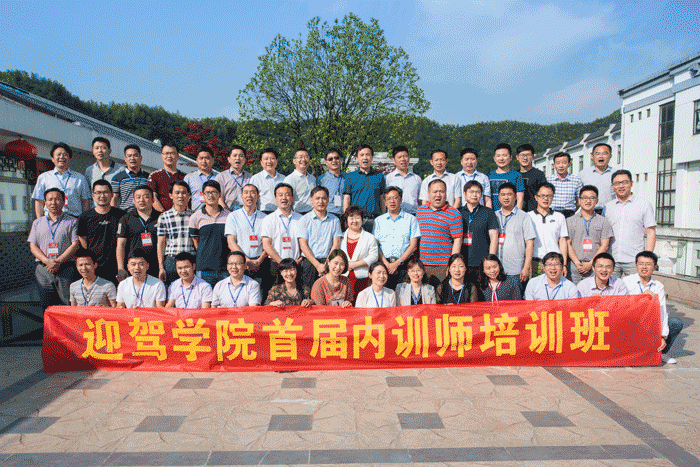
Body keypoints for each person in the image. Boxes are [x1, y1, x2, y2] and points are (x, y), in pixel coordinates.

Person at [623, 251, 683, 364]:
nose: (644, 267)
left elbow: (662, 312)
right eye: (641, 264)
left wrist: (662, 336)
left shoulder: (658, 286)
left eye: (648, 264)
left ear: (655, 267)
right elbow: (621, 306)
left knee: (675, 322)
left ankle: (661, 353)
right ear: (636, 265)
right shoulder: (626, 281)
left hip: (649, 323)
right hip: (631, 322)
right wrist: (640, 299)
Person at [28, 188, 79, 310]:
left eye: (57, 199)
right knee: (47, 306)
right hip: (43, 269)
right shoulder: (37, 223)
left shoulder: (72, 221)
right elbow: (33, 246)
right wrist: (47, 261)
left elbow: (75, 244)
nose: (53, 202)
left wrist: (57, 262)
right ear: (45, 202)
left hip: (66, 268)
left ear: (63, 202)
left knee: (68, 304)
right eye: (50, 199)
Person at [605, 169, 656, 277]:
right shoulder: (607, 207)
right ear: (612, 187)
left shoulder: (644, 205)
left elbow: (650, 232)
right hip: (612, 259)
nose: (621, 186)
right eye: (617, 183)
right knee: (610, 287)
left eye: (624, 182)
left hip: (635, 260)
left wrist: (647, 258)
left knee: (637, 287)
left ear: (631, 184)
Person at [78, 180, 126, 284]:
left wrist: (121, 267)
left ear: (112, 195)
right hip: (95, 267)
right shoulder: (85, 217)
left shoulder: (122, 215)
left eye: (105, 192)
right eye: (98, 193)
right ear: (93, 195)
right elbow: (82, 239)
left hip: (117, 266)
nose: (102, 196)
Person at [416, 179, 463, 285]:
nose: (438, 195)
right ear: (428, 194)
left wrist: (452, 265)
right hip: (423, 265)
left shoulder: (454, 214)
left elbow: (457, 240)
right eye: (435, 191)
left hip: (443, 265)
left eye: (441, 191)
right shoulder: (420, 212)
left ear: (446, 193)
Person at [373, 186, 421, 289]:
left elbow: (413, 245)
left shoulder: (411, 219)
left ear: (401, 200)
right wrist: (386, 263)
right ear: (385, 202)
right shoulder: (378, 221)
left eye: (395, 198)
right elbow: (376, 245)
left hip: (404, 265)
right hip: (384, 266)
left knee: (403, 296)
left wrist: (397, 263)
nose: (392, 201)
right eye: (389, 199)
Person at [566, 185, 613, 284]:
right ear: (579, 200)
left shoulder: (603, 221)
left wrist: (591, 263)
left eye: (592, 198)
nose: (588, 201)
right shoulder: (569, 221)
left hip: (595, 267)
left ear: (596, 201)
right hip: (574, 267)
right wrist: (577, 263)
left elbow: (605, 245)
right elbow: (567, 244)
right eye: (585, 198)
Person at [298, 186, 342, 289]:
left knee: (328, 292)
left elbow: (336, 244)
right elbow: (303, 245)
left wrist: (326, 264)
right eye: (317, 198)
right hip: (310, 262)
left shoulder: (335, 220)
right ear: (311, 200)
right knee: (308, 293)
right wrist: (317, 265)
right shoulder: (304, 220)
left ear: (328, 200)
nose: (320, 201)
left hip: (329, 262)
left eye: (324, 198)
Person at [225, 183, 269, 289]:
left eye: (253, 192)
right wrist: (246, 260)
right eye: (246, 192)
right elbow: (231, 242)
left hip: (261, 263)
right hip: (240, 263)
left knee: (259, 294)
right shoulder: (233, 216)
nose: (249, 195)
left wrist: (259, 260)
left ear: (258, 196)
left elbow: (269, 243)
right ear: (242, 196)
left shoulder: (265, 218)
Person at [188, 180, 230, 287]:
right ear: (203, 195)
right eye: (207, 193)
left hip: (225, 267)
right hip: (204, 268)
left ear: (219, 194)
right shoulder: (195, 217)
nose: (210, 195)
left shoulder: (229, 216)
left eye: (214, 192)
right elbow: (195, 242)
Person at [32, 142, 90, 219]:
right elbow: (39, 201)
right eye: (58, 154)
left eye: (65, 154)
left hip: (74, 219)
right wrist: (40, 221)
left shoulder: (80, 178)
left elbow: (85, 201)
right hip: (51, 219)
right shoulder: (43, 177)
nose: (62, 157)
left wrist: (84, 220)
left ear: (70, 158)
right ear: (52, 159)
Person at [116, 185, 161, 281]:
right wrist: (121, 268)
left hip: (156, 265)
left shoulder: (161, 217)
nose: (142, 200)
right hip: (135, 267)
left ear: (153, 200)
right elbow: (121, 244)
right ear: (134, 200)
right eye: (138, 197)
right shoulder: (126, 219)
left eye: (146, 196)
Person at [261, 183, 303, 285]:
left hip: (296, 265)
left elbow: (304, 243)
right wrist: (282, 264)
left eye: (287, 194)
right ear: (275, 198)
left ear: (292, 198)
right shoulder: (268, 219)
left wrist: (300, 259)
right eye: (280, 195)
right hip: (275, 265)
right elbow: (266, 244)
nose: (284, 198)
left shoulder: (301, 219)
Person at [495, 183, 536, 286]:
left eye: (509, 194)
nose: (506, 197)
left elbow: (530, 244)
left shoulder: (524, 217)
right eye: (503, 194)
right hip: (495, 270)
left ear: (515, 197)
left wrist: (526, 268)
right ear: (498, 197)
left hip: (516, 271)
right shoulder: (494, 216)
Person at [156, 180, 195, 285]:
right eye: (177, 193)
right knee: (171, 291)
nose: (180, 196)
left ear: (189, 195)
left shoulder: (195, 216)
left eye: (184, 193)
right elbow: (161, 243)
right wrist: (161, 266)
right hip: (171, 261)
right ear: (171, 195)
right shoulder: (164, 217)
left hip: (190, 260)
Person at [460, 180, 498, 284]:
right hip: (462, 263)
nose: (474, 195)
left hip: (482, 263)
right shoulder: (458, 212)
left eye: (477, 192)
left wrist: (490, 261)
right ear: (464, 194)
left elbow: (494, 237)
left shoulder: (488, 212)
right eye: (471, 192)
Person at [528, 182, 569, 278]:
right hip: (534, 262)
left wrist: (564, 265)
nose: (546, 199)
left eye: (549, 196)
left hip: (554, 264)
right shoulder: (528, 216)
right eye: (542, 196)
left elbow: (562, 241)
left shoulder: (559, 217)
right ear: (536, 197)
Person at [343, 144, 386, 231]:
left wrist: (383, 217)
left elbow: (382, 198)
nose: (365, 158)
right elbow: (347, 198)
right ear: (357, 158)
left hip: (375, 220)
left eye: (368, 155)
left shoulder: (379, 176)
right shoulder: (350, 177)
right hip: (356, 221)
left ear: (372, 157)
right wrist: (347, 218)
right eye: (361, 155)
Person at [341, 205, 379, 298]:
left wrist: (355, 264)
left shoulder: (370, 237)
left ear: (362, 219)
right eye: (351, 218)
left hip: (362, 278)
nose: (354, 221)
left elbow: (374, 256)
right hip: (343, 277)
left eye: (357, 217)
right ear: (346, 220)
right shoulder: (340, 237)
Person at [147, 142, 185, 212]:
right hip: (161, 215)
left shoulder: (184, 176)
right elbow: (152, 198)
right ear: (162, 155)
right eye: (166, 153)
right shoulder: (154, 176)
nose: (169, 156)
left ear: (177, 155)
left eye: (172, 153)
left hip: (182, 215)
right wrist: (164, 214)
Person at [111, 144, 150, 211]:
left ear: (140, 158)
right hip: (125, 213)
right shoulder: (117, 178)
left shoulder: (148, 177)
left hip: (145, 213)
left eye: (135, 155)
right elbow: (114, 198)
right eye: (129, 156)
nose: (132, 158)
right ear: (125, 159)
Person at [579, 143, 615, 214]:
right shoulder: (583, 174)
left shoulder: (615, 174)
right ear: (592, 156)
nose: (601, 156)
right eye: (597, 154)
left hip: (611, 212)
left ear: (610, 156)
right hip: (590, 212)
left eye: (605, 153)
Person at [385, 146, 422, 214]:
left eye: (405, 156)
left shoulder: (417, 179)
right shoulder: (388, 178)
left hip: (413, 215)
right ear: (393, 160)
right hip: (394, 215)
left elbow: (421, 200)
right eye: (399, 157)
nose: (403, 159)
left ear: (409, 158)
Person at [489, 143, 524, 211]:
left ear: (510, 157)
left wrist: (517, 215)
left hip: (510, 213)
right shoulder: (488, 176)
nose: (501, 158)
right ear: (494, 158)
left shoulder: (516, 175)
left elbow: (520, 198)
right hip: (492, 213)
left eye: (504, 155)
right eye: (498, 156)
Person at [216, 145, 252, 211]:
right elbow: (219, 197)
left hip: (246, 212)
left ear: (244, 160)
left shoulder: (250, 177)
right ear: (229, 159)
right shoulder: (221, 176)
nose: (237, 158)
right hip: (226, 212)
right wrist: (226, 212)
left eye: (241, 156)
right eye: (235, 155)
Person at [547, 152, 582, 218]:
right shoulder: (548, 180)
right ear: (554, 164)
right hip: (551, 213)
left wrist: (572, 210)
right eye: (558, 163)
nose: (561, 166)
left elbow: (579, 201)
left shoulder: (576, 180)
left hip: (569, 214)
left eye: (564, 163)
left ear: (569, 164)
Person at [250, 148, 285, 214]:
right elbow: (252, 199)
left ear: (276, 161)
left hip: (281, 213)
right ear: (261, 162)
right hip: (263, 213)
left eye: (272, 158)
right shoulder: (256, 179)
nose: (269, 161)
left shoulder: (283, 179)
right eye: (266, 159)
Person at [183, 146, 217, 213]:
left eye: (207, 158)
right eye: (201, 158)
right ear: (197, 160)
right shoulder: (189, 178)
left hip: (215, 214)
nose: (204, 161)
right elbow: (184, 198)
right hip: (195, 214)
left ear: (212, 160)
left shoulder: (219, 177)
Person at [284, 148, 317, 214]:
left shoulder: (312, 179)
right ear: (294, 161)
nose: (303, 159)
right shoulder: (289, 179)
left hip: (313, 214)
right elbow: (286, 201)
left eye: (306, 157)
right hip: (298, 215)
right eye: (300, 157)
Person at [516, 143, 546, 212]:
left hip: (534, 212)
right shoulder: (514, 175)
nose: (525, 158)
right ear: (517, 157)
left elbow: (544, 194)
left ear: (532, 157)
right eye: (522, 155)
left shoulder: (539, 175)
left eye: (528, 155)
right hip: (517, 211)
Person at [317, 148, 345, 216]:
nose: (334, 161)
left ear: (341, 159)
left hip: (345, 214)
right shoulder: (321, 179)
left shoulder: (348, 178)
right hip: (328, 214)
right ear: (326, 162)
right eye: (330, 159)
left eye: (336, 158)